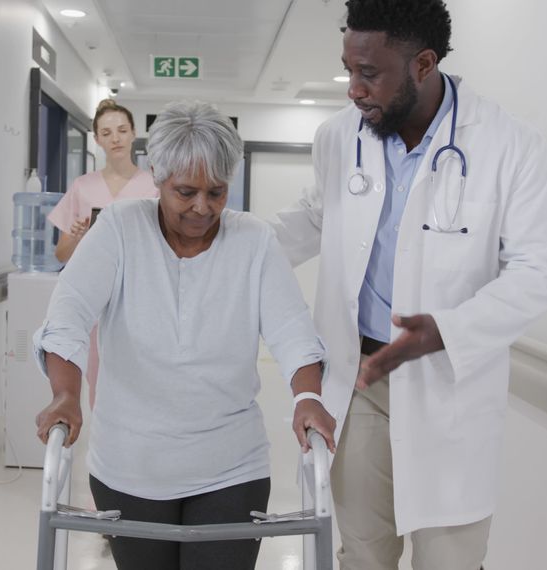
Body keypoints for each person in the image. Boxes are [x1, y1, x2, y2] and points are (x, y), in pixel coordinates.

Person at [271, 1, 547, 568]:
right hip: (357, 380)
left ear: (424, 64)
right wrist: (213, 238)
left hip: (448, 381)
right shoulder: (338, 137)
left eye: (369, 73)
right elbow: (315, 218)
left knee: (450, 558)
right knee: (362, 554)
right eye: (348, 70)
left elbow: (540, 268)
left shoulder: (510, 146)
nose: (353, 90)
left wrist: (448, 330)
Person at [33, 100, 337, 570]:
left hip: (231, 465)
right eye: (186, 192)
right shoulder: (118, 229)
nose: (203, 208)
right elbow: (67, 318)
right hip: (129, 465)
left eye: (217, 192)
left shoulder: (254, 241)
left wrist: (307, 399)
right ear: (157, 176)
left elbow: (293, 332)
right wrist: (65, 395)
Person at [47, 99, 159, 408]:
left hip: (143, 297)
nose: (116, 138)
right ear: (96, 139)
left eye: (122, 130)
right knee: (98, 381)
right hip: (97, 299)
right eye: (107, 133)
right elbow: (61, 254)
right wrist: (79, 236)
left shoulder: (154, 186)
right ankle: (105, 450)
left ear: (134, 133)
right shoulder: (83, 187)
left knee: (145, 380)